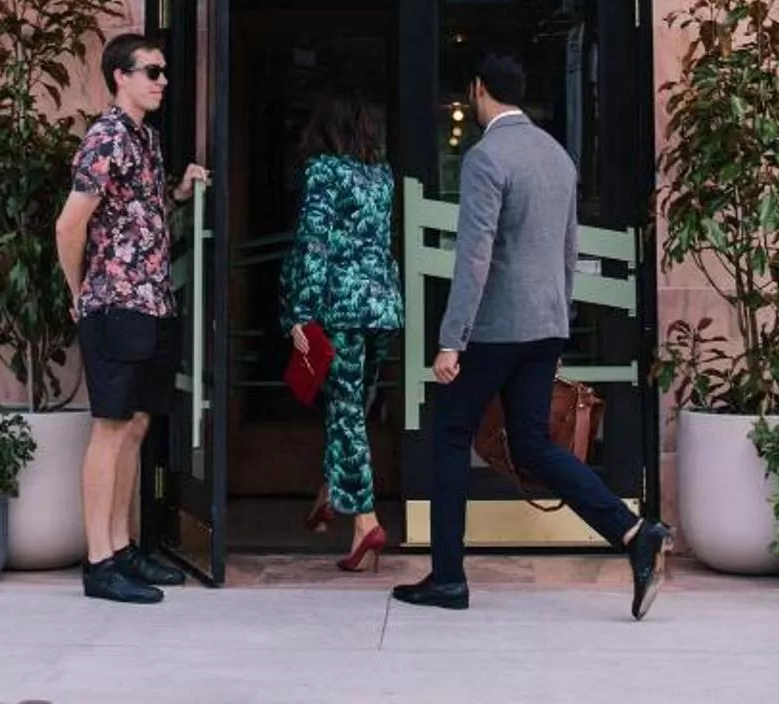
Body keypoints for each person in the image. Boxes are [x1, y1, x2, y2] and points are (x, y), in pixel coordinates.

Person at [394, 50, 673, 621]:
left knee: (450, 434)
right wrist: (556, 312)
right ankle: (632, 531)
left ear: (478, 90)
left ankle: (448, 578)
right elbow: (569, 248)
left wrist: (452, 340)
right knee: (533, 445)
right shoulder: (556, 156)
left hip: (495, 328)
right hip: (547, 322)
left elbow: (475, 256)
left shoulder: (485, 157)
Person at [55, 30, 207, 604]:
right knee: (111, 426)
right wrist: (81, 291)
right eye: (152, 71)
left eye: (163, 71)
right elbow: (70, 225)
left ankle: (121, 548)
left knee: (138, 424)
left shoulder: (146, 139)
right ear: (121, 75)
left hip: (154, 301)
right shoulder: (106, 138)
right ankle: (99, 564)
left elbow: (139, 213)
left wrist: (181, 193)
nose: (162, 80)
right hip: (115, 302)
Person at [282, 89, 404, 572]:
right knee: (353, 403)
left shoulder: (322, 173)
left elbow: (314, 245)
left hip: (339, 307)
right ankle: (332, 489)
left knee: (346, 410)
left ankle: (365, 519)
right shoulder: (382, 176)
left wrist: (301, 312)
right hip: (383, 306)